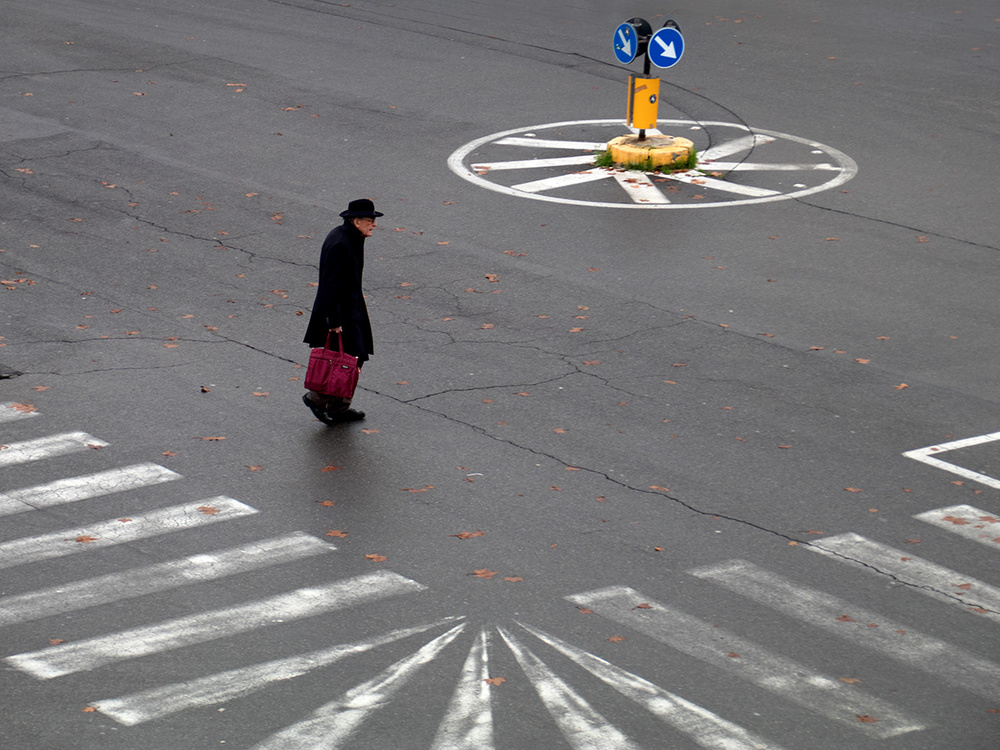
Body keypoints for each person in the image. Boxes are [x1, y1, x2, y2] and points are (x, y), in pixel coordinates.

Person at [302, 198, 382, 423]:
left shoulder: (350, 237)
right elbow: (330, 284)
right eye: (370, 220)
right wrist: (334, 320)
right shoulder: (341, 243)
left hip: (350, 307)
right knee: (345, 359)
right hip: (340, 312)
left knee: (353, 357)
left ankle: (338, 406)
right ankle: (317, 399)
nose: (373, 224)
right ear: (356, 221)